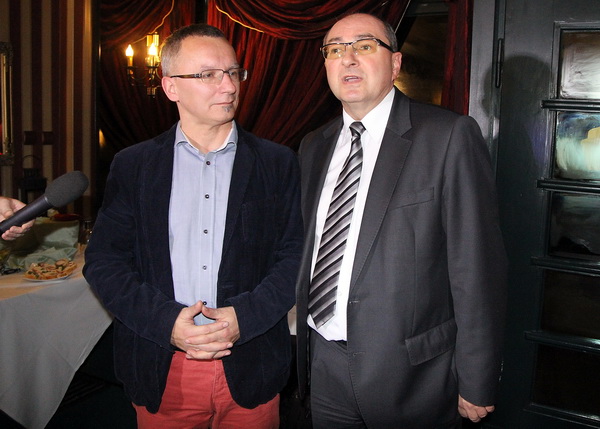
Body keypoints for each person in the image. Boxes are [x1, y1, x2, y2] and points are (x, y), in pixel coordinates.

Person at [83, 23, 303, 428]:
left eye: (233, 72)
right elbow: (104, 262)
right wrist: (165, 323)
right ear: (171, 87)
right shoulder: (133, 166)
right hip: (162, 366)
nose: (229, 86)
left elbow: (296, 258)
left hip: (251, 364)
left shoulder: (278, 162)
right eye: (208, 74)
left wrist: (245, 317)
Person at [295, 13, 508, 428]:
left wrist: (478, 377)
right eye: (334, 50)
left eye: (364, 46)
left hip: (414, 376)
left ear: (395, 63)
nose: (348, 58)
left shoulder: (448, 136)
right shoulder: (313, 146)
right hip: (323, 365)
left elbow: (477, 268)